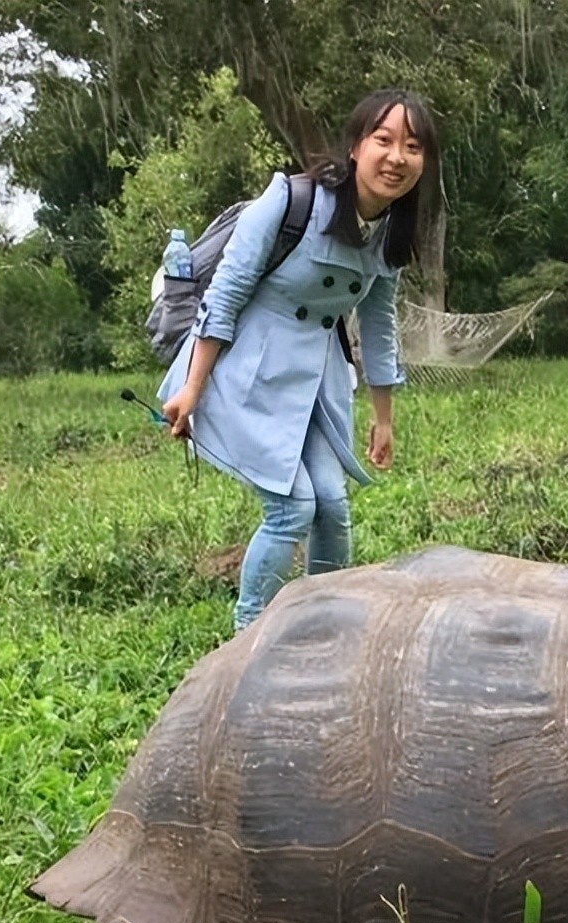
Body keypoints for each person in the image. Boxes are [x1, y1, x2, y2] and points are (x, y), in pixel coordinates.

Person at [159, 88, 439, 631]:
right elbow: (229, 291)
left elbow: (379, 329)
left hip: (313, 380)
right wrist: (192, 387)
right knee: (293, 508)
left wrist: (384, 418)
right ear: (356, 147)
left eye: (412, 146)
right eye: (383, 139)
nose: (397, 157)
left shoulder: (387, 236)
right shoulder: (292, 201)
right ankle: (247, 636)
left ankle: (325, 627)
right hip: (246, 369)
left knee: (332, 504)